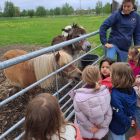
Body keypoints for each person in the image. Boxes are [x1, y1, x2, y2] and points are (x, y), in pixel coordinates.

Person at [69, 65, 112, 140]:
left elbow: (80, 116)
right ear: (99, 77)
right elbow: (109, 111)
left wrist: (91, 127)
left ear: (84, 78)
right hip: (100, 131)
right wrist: (103, 124)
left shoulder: (78, 96)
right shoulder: (105, 91)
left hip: (86, 132)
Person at [108, 62, 137, 140]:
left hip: (116, 127)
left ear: (117, 77)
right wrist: (131, 118)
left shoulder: (115, 95)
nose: (109, 75)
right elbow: (133, 103)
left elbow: (119, 114)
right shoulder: (131, 89)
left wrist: (129, 121)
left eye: (111, 74)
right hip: (127, 122)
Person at [130, 75, 140, 140]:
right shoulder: (135, 87)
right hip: (136, 106)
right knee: (136, 119)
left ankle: (138, 136)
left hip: (138, 107)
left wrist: (138, 86)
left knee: (139, 121)